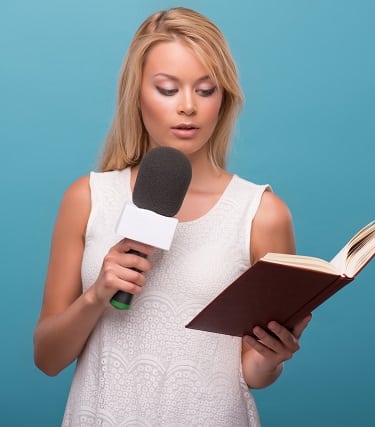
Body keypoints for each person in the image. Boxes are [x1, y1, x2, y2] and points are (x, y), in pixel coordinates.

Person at [33, 7, 311, 426]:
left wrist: (271, 359)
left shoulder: (261, 214)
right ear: (138, 94)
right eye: (167, 89)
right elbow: (48, 358)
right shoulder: (87, 198)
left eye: (205, 90)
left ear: (224, 98)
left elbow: (251, 374)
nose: (187, 107)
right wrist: (96, 296)